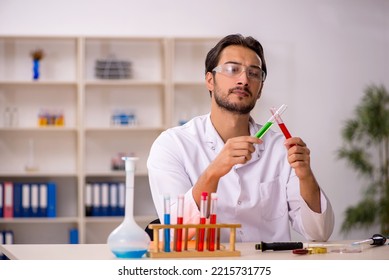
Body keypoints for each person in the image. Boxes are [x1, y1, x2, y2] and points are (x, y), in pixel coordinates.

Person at [147, 34, 334, 243]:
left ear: (260, 89)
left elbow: (319, 233)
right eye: (232, 69)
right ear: (210, 80)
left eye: (254, 73)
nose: (244, 80)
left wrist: (305, 176)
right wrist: (213, 172)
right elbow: (175, 232)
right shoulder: (172, 145)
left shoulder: (280, 148)